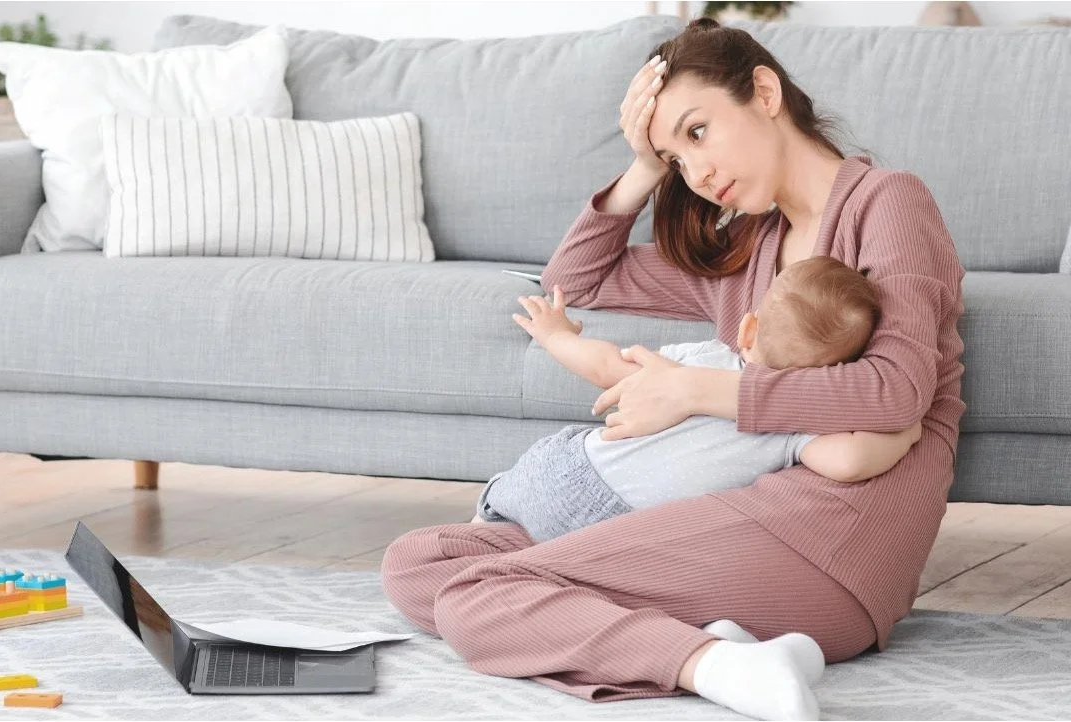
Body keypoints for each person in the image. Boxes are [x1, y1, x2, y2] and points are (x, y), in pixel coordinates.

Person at [380, 16, 965, 722]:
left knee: (475, 599)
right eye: (677, 160)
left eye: (698, 132)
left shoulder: (887, 201)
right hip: (731, 515)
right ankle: (730, 652)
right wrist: (644, 167)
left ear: (765, 93)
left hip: (833, 538)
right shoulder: (745, 252)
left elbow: (896, 391)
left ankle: (706, 663)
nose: (700, 174)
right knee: (419, 564)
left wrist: (693, 389)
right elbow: (575, 280)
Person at [470, 256, 924, 545]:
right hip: (624, 530)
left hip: (565, 472)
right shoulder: (797, 426)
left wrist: (556, 336)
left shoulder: (703, 360)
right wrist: (909, 428)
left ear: (748, 330)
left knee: (501, 511)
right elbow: (850, 461)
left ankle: (484, 523)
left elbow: (606, 367)